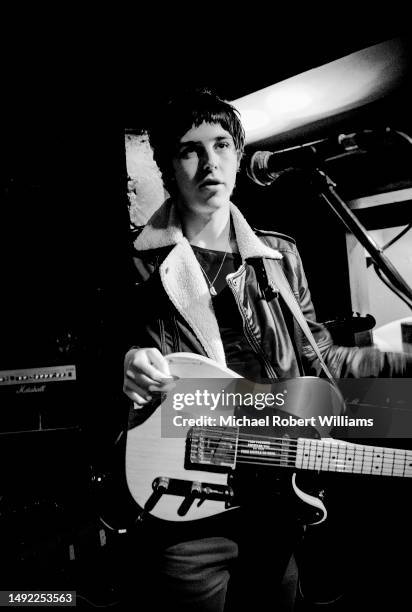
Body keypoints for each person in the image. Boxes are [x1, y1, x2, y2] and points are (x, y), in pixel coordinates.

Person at [122, 88, 412, 611]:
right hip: (190, 498)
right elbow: (104, 364)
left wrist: (402, 364)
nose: (210, 161)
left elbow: (324, 363)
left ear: (237, 155)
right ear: (170, 165)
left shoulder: (279, 257)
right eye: (191, 149)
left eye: (221, 145)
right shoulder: (137, 264)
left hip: (278, 492)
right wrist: (126, 364)